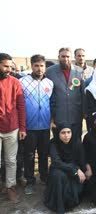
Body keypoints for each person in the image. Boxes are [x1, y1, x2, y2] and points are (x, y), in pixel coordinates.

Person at [19, 54, 53, 195]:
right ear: (31, 66)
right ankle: (30, 181)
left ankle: (44, 178)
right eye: (36, 66)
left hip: (45, 126)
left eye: (42, 66)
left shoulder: (49, 83)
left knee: (44, 154)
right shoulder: (22, 82)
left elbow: (52, 103)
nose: (39, 69)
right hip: (29, 127)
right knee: (29, 155)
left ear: (45, 67)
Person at [0, 53, 26, 203]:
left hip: (12, 128)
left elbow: (21, 107)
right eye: (5, 66)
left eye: (10, 66)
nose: (8, 69)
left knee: (11, 160)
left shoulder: (15, 82)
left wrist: (22, 128)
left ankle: (10, 187)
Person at [44, 124, 86, 213]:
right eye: (63, 133)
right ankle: (59, 205)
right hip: (58, 168)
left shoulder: (77, 143)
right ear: (58, 134)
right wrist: (75, 169)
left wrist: (79, 170)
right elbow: (56, 161)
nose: (66, 135)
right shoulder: (53, 143)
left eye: (68, 132)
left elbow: (82, 162)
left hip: (74, 171)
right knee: (59, 176)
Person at [46, 47, 85, 140]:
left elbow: (82, 93)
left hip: (76, 115)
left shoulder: (79, 71)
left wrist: (84, 112)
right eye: (63, 56)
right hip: (58, 116)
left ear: (71, 57)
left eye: (68, 56)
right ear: (58, 57)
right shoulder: (50, 72)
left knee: (76, 142)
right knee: (59, 143)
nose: (65, 59)